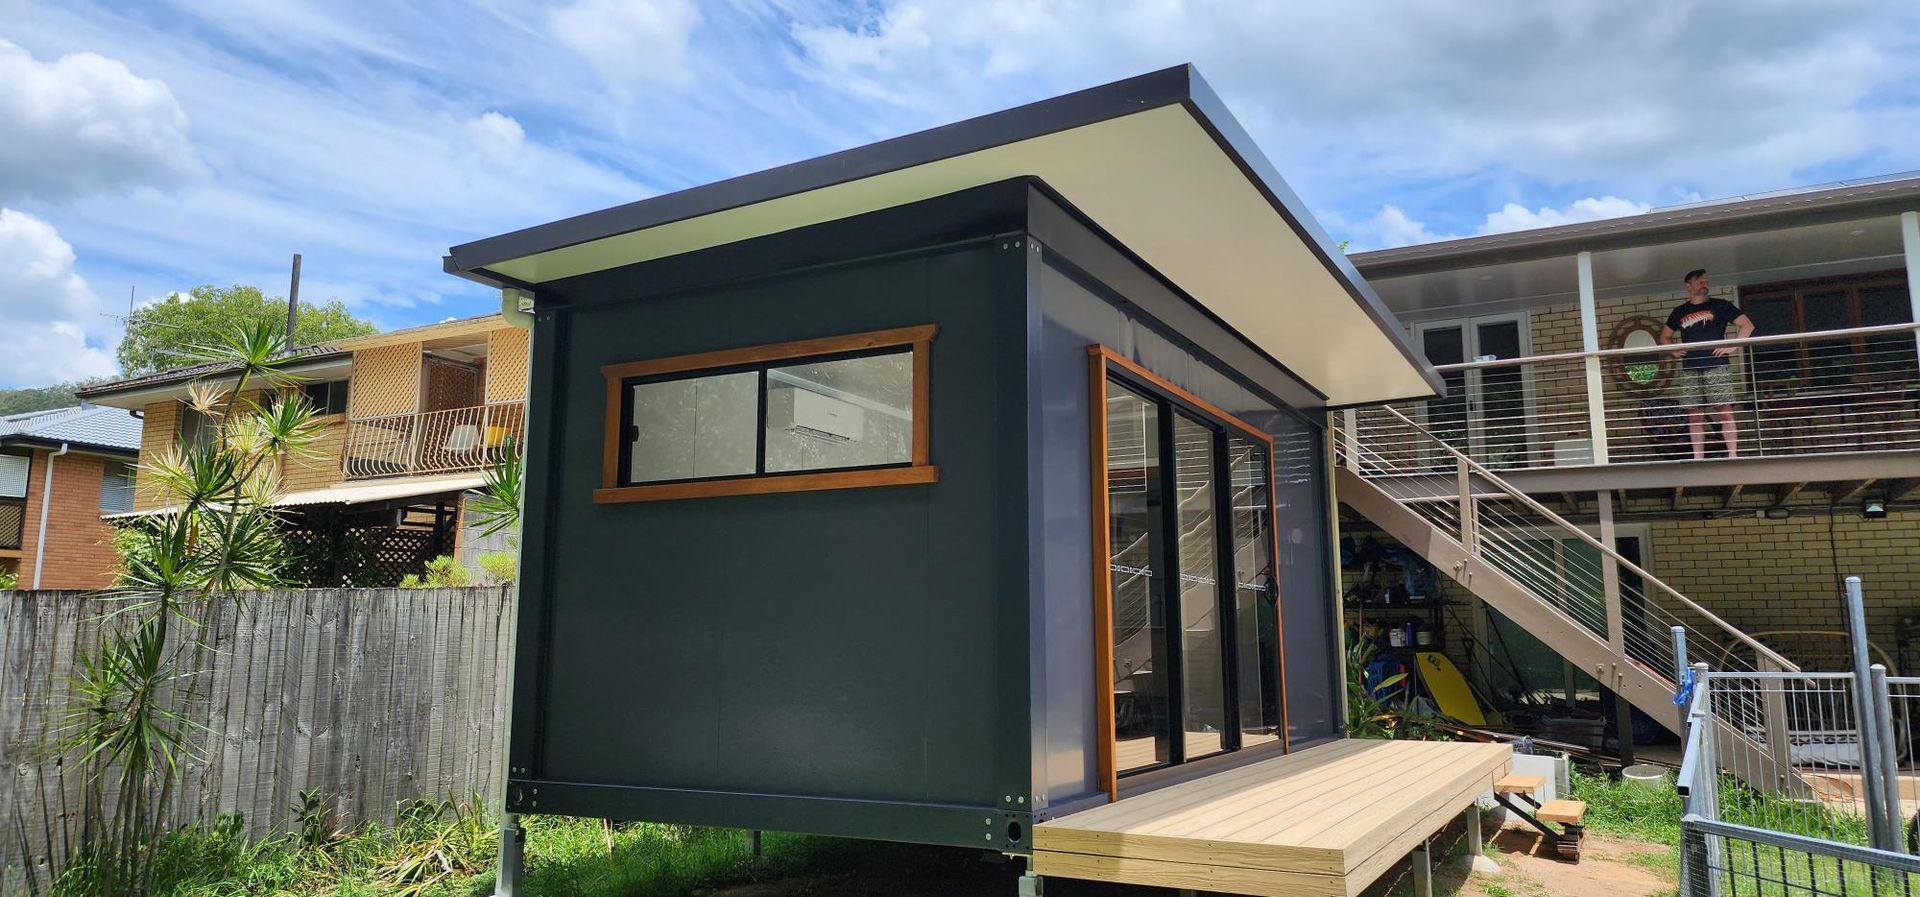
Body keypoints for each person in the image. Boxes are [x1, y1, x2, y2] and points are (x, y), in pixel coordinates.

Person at [1660, 269, 1754, 459]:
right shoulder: (1680, 312)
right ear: (1689, 286)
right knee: (1694, 415)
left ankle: (1733, 455)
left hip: (1716, 365)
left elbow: (1747, 325)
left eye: (1706, 281)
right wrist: (1673, 351)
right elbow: (1665, 336)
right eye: (1700, 282)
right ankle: (1698, 457)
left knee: (1725, 411)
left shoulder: (1720, 305)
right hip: (1690, 368)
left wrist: (1732, 346)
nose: (1704, 284)